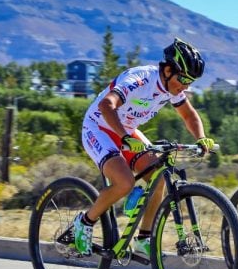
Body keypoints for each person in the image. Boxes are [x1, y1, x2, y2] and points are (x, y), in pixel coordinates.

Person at [72, 38, 215, 256]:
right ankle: (84, 222)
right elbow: (106, 105)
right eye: (184, 79)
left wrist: (201, 137)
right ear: (168, 70)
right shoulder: (140, 79)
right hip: (99, 126)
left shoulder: (173, 88)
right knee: (124, 182)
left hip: (125, 129)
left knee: (159, 175)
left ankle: (143, 239)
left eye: (191, 82)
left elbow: (188, 115)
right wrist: (124, 137)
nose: (185, 86)